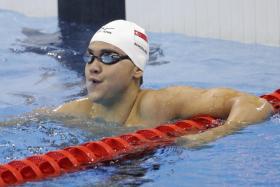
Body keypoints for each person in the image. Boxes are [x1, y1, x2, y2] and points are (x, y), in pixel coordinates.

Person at [54, 20, 273, 145]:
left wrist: (213, 135)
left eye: (108, 57)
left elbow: (254, 104)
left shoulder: (158, 104)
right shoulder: (75, 111)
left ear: (137, 69)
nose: (93, 66)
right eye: (90, 56)